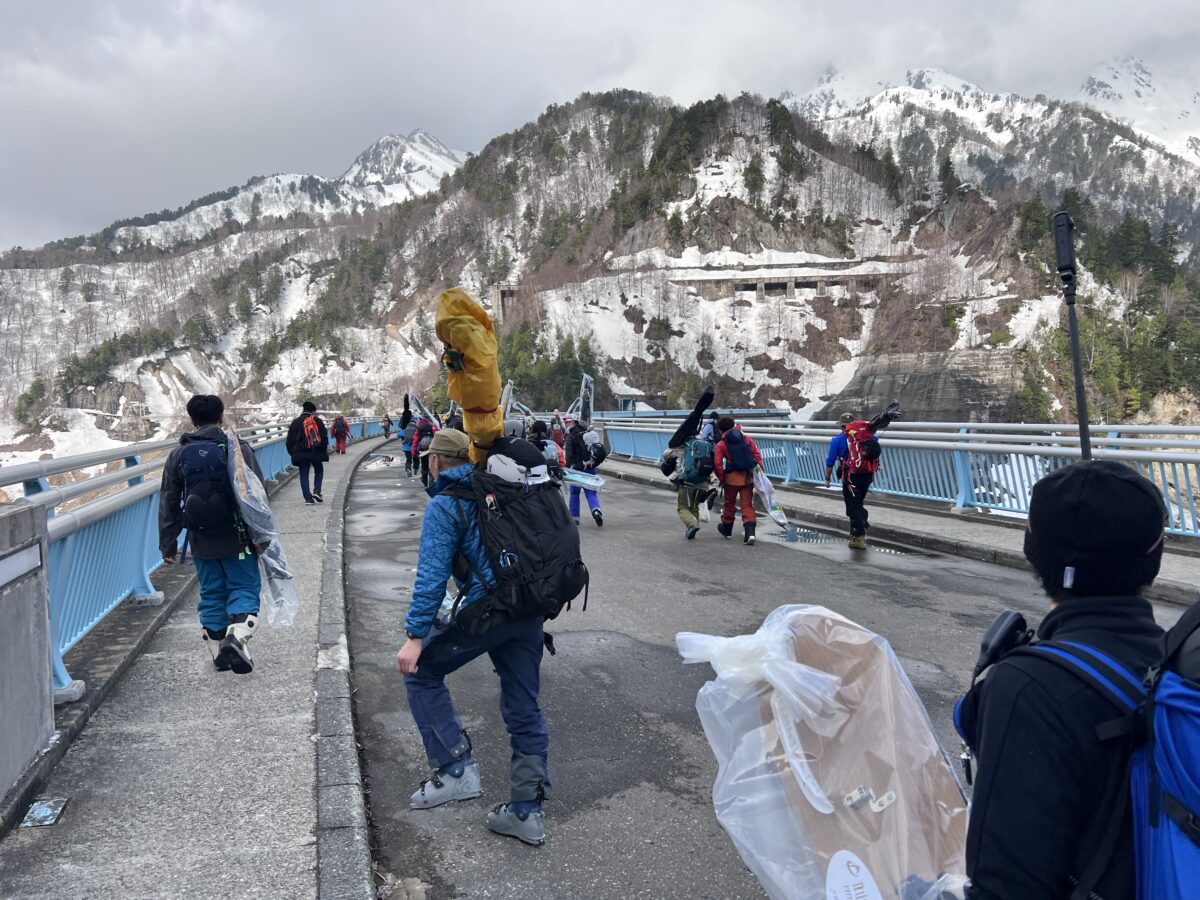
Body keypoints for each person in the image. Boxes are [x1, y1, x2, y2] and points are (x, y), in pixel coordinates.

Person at [955, 461, 1167, 900]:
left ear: (1035, 555)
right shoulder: (1179, 665)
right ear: (1154, 560)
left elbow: (1004, 885)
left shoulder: (1028, 688)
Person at [395, 429, 551, 847]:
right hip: (530, 609)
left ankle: (455, 770)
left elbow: (431, 576)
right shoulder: (506, 489)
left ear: (435, 462)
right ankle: (526, 812)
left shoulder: (447, 504)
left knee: (421, 672)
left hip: (490, 611)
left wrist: (414, 636)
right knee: (524, 705)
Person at [158, 394, 266, 673]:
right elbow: (255, 495)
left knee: (212, 593)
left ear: (192, 420)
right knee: (244, 588)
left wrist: (168, 543)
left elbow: (169, 500)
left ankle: (219, 653)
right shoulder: (236, 448)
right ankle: (237, 637)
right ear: (221, 417)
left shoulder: (178, 454)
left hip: (200, 539)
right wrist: (261, 536)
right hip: (237, 536)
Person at [825, 412, 875, 549]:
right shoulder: (868, 437)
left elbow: (830, 462)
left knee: (852, 507)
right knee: (858, 502)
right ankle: (857, 531)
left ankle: (859, 537)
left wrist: (827, 479)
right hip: (867, 475)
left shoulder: (837, 440)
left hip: (850, 476)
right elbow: (874, 453)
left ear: (841, 426)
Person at [713, 416, 763, 545]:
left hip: (731, 479)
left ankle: (727, 528)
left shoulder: (721, 444)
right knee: (747, 504)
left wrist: (721, 478)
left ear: (720, 430)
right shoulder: (746, 439)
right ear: (733, 425)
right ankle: (750, 533)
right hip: (747, 477)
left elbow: (717, 464)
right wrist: (760, 473)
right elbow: (756, 455)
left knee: (729, 504)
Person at [660, 440, 713, 540]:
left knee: (682, 507)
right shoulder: (705, 445)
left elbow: (666, 454)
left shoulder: (685, 444)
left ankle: (692, 525)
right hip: (703, 482)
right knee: (694, 507)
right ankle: (692, 528)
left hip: (687, 481)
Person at [286, 400, 329, 504]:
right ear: (313, 411)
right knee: (319, 470)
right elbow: (324, 438)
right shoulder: (317, 421)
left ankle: (308, 498)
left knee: (303, 474)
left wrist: (293, 453)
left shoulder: (295, 422)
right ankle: (317, 491)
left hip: (300, 453)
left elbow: (288, 441)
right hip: (315, 452)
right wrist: (322, 450)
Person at [564, 415, 602, 527]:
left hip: (576, 469)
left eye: (566, 422)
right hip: (590, 467)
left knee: (574, 493)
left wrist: (565, 468)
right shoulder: (587, 433)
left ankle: (574, 518)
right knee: (591, 493)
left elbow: (569, 455)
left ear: (572, 422)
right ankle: (596, 510)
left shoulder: (571, 436)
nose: (565, 424)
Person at [415, 417, 438, 487]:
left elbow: (415, 440)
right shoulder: (433, 427)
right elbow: (438, 437)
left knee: (424, 465)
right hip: (431, 449)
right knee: (431, 465)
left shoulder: (420, 428)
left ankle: (424, 481)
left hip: (423, 450)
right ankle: (431, 482)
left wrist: (414, 451)